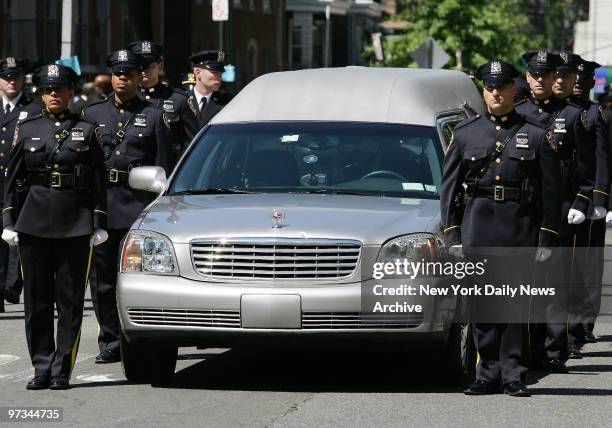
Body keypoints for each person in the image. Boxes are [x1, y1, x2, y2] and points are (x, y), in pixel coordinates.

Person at [441, 60, 562, 397]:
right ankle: (486, 374)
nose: (495, 92)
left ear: (513, 89)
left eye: (501, 86)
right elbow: (449, 189)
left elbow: (551, 192)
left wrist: (547, 236)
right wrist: (452, 234)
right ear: (484, 90)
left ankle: (513, 374)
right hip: (477, 228)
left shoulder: (535, 134)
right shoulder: (466, 134)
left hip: (518, 228)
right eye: (490, 87)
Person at [1, 64, 108, 390]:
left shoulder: (87, 130)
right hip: (33, 223)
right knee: (36, 301)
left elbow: (99, 182)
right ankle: (41, 367)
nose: (54, 94)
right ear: (41, 94)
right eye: (48, 90)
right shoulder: (29, 128)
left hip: (74, 223)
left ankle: (62, 369)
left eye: (60, 89)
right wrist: (8, 219)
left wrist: (98, 221)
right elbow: (12, 178)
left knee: (70, 302)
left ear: (71, 92)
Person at [82, 49, 172, 364]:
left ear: (138, 78)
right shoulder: (92, 114)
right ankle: (109, 339)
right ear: (112, 77)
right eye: (118, 74)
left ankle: (141, 334)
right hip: (103, 204)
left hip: (137, 206)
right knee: (102, 279)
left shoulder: (154, 114)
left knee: (138, 276)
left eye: (129, 74)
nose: (123, 78)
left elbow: (163, 167)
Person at [515, 50, 594, 373]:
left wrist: (582, 202)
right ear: (528, 77)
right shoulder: (517, 112)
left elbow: (588, 169)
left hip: (559, 207)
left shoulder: (574, 115)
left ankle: (552, 347)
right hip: (522, 210)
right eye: (536, 74)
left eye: (548, 75)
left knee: (554, 282)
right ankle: (524, 347)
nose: (544, 80)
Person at [568, 58, 610, 349]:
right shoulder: (561, 112)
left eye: (584, 80)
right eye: (576, 79)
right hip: (563, 201)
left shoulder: (597, 115)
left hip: (589, 200)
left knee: (589, 264)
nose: (579, 84)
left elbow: (603, 161)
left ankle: (583, 322)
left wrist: (601, 200)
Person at [0, 57, 38, 311]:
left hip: (19, 183)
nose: (11, 81)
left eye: (15, 76)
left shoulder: (33, 108)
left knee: (17, 236)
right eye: (6, 76)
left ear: (23, 79)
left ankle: (13, 283)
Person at [128, 41, 198, 162]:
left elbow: (191, 143)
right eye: (139, 65)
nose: (143, 70)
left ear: (160, 67)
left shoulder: (178, 99)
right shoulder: (124, 98)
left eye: (149, 65)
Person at [188, 50, 232, 129]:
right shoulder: (182, 100)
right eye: (214, 72)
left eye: (221, 73)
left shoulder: (227, 102)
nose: (219, 77)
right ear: (198, 73)